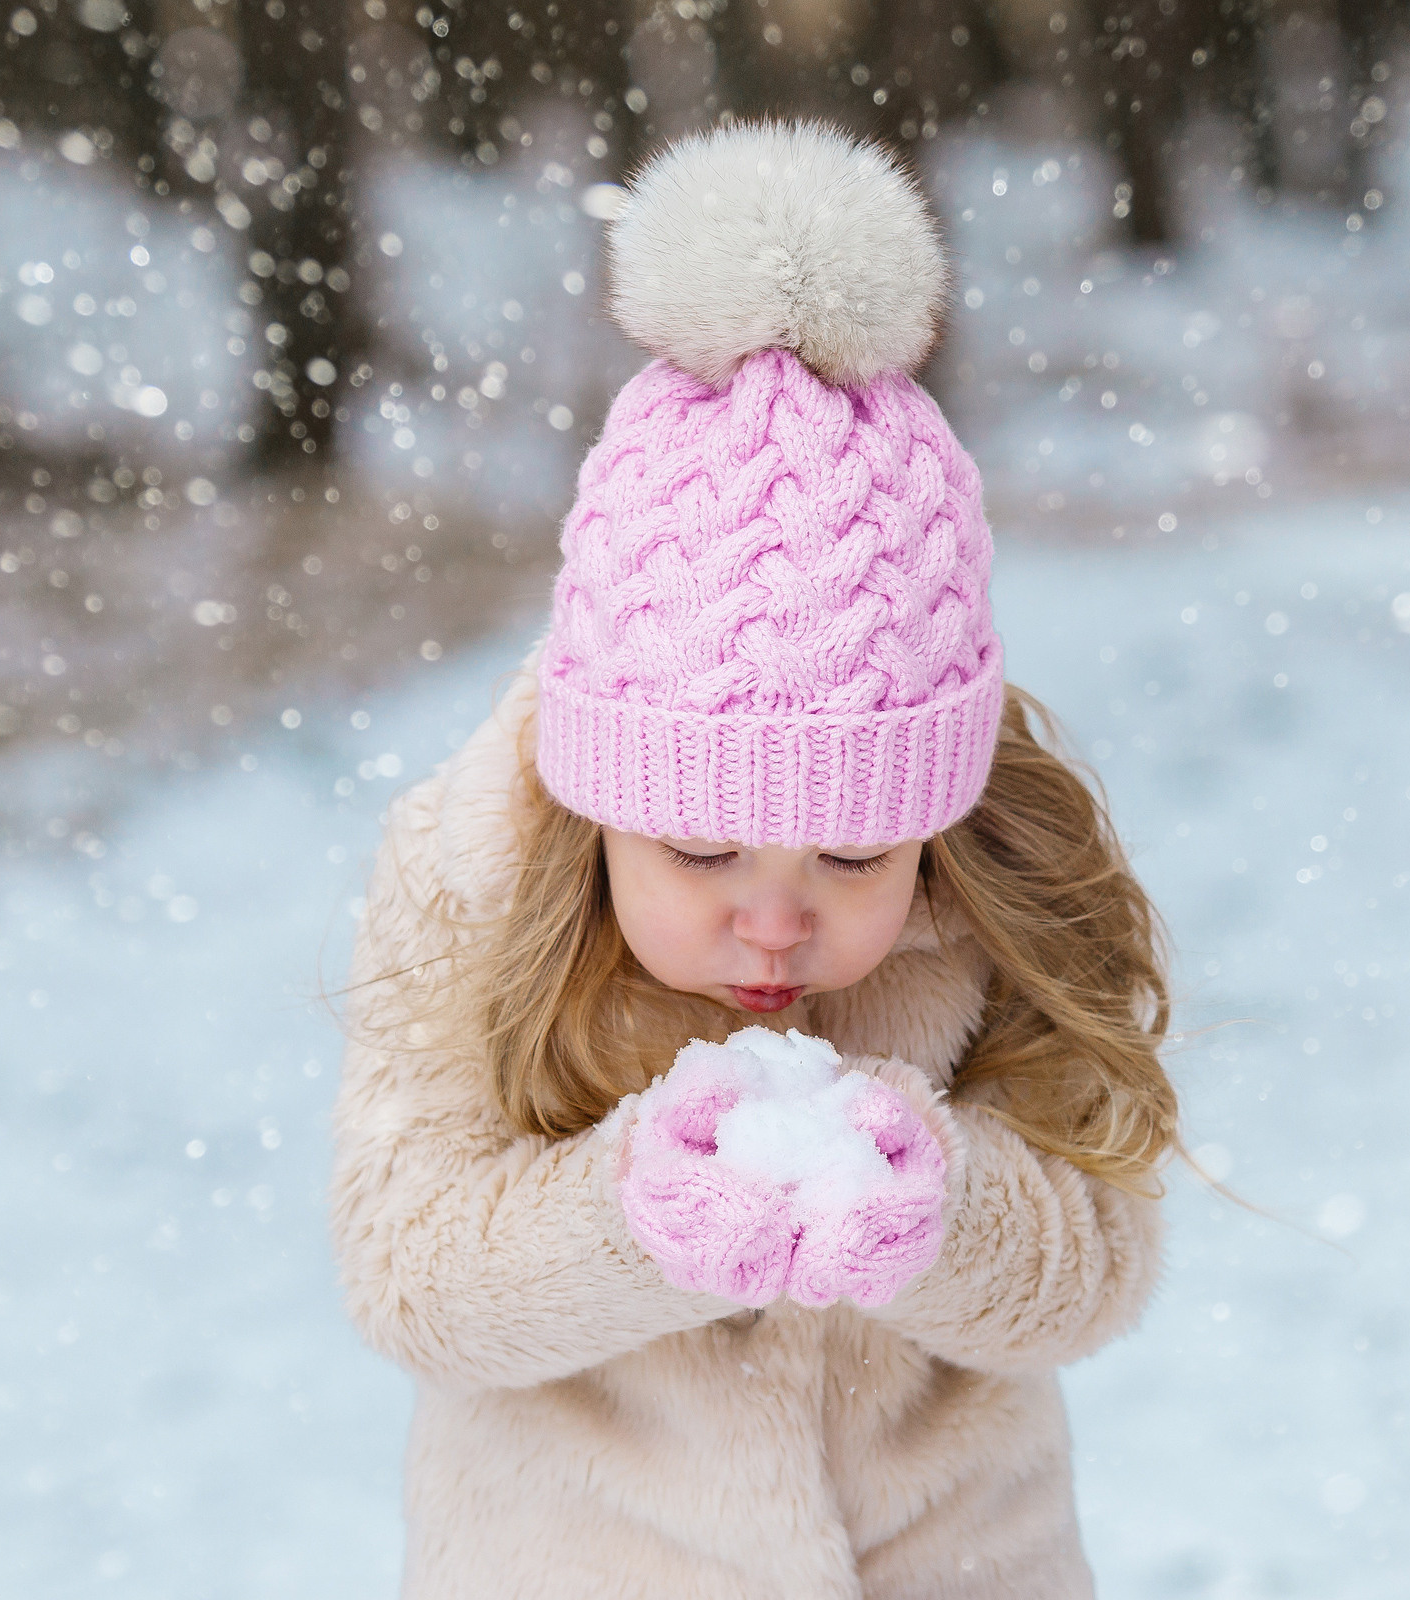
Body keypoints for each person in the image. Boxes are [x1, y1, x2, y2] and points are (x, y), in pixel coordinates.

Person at [331, 120, 1185, 1598]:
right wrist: (629, 1217)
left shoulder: (992, 900)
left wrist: (943, 1208)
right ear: (596, 807)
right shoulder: (473, 873)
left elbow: (1096, 1268)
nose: (775, 919)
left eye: (854, 854)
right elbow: (411, 1278)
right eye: (702, 848)